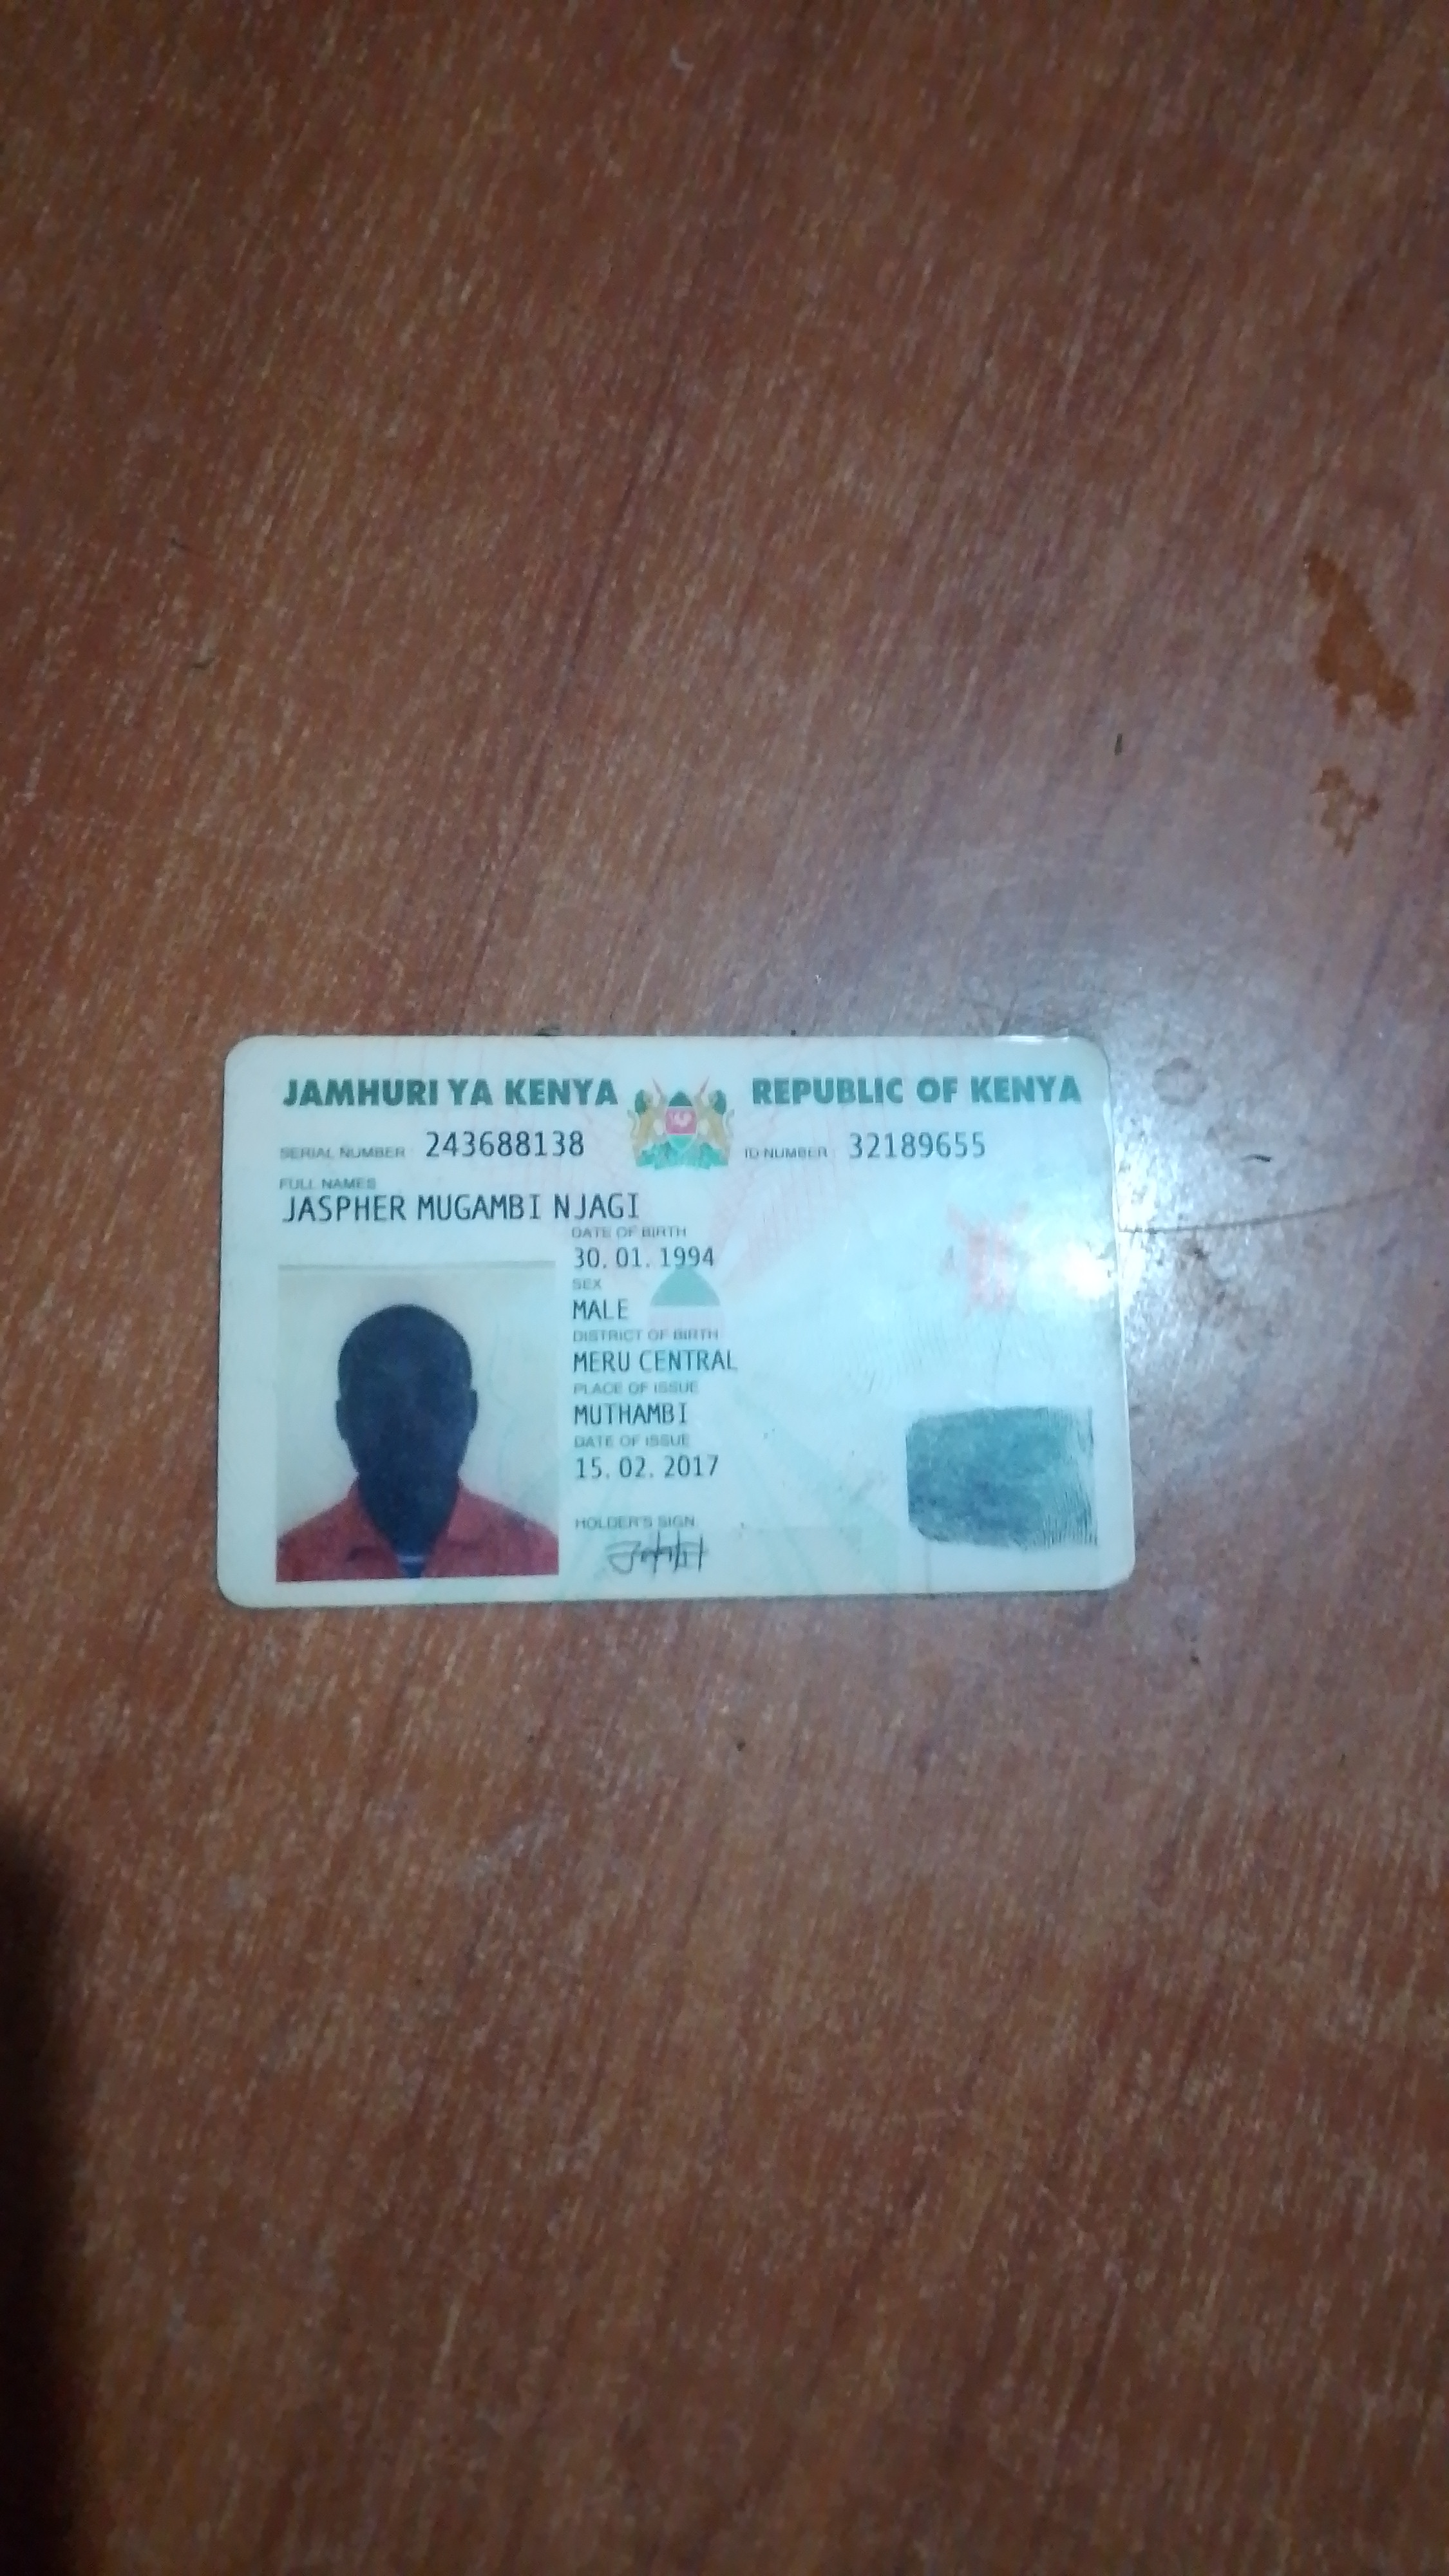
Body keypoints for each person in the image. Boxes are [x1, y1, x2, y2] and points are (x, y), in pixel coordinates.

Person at [277, 1303, 558, 1580]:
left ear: (471, 1413)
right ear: (343, 1419)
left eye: (435, 1393)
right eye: (380, 1397)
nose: (408, 1420)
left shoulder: (537, 1558)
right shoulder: (289, 1566)